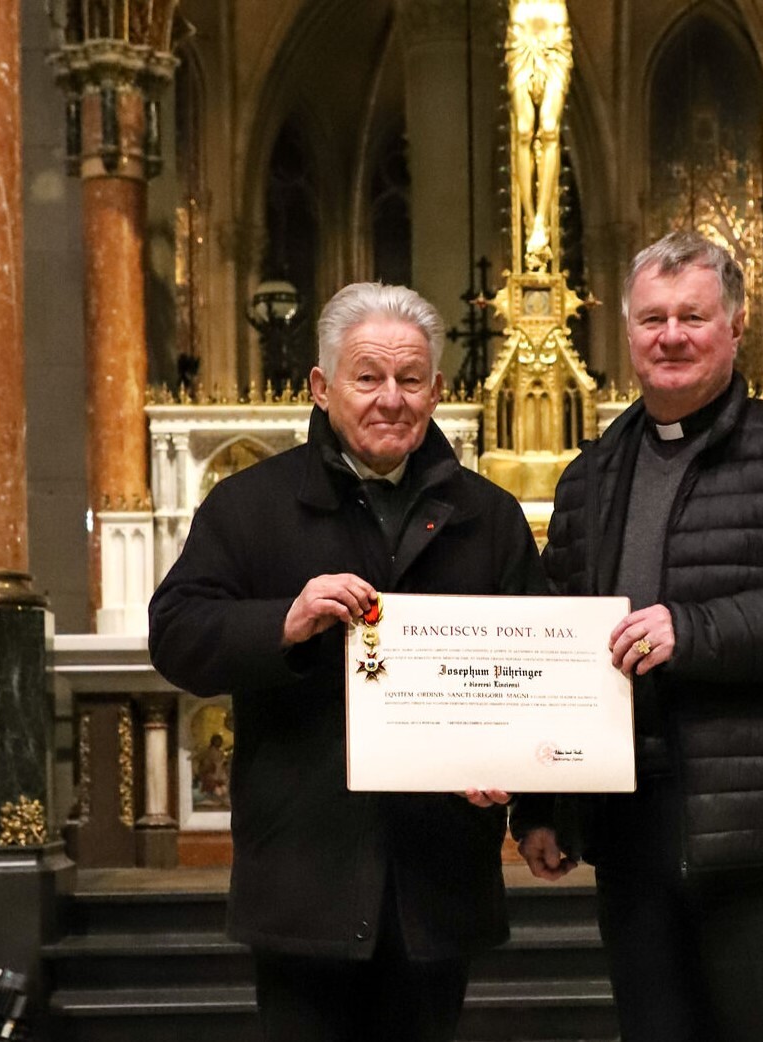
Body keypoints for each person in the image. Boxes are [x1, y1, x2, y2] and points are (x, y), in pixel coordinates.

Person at [512, 231, 763, 1042]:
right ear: (627, 331)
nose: (671, 336)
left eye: (693, 316)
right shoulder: (591, 476)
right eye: (652, 319)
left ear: (736, 325)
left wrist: (694, 629)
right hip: (633, 830)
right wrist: (539, 804)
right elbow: (554, 637)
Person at [149, 282, 545, 1042]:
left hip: (438, 881)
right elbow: (175, 635)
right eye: (368, 376)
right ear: (322, 386)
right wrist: (285, 622)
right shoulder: (248, 507)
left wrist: (530, 792)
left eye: (410, 379)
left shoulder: (489, 517)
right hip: (305, 877)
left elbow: (537, 667)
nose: (391, 398)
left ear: (437, 391)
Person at [505, 0, 573, 269]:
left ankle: (542, 220)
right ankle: (531, 219)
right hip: (522, 48)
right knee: (523, 130)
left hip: (555, 50)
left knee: (549, 128)